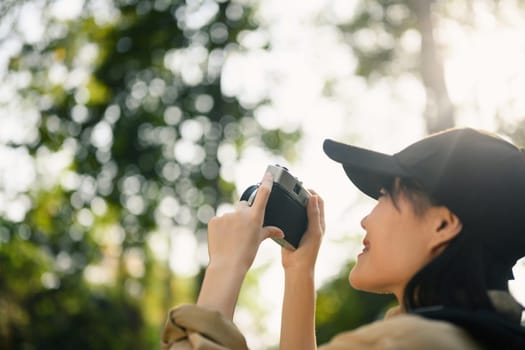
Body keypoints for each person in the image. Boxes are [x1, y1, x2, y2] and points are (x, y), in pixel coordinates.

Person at [161, 127, 525, 350]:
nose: (366, 219)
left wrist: (224, 268)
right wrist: (299, 272)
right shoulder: (484, 337)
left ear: (442, 225)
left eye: (385, 196)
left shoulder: (403, 343)